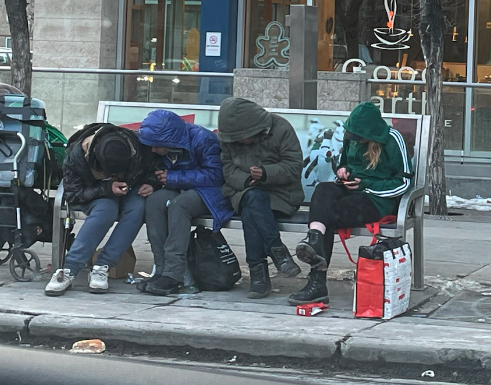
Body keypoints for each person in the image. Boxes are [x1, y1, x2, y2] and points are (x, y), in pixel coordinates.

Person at [288, 102, 411, 305]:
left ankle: (317, 281)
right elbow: (346, 163)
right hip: (351, 190)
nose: (356, 140)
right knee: (323, 190)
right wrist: (343, 172)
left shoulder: (392, 139)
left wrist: (367, 185)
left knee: (327, 215)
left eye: (360, 137)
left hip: (377, 199)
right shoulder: (351, 137)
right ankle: (315, 238)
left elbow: (404, 183)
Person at [46, 124, 157, 296]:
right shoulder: (77, 157)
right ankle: (69, 269)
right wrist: (106, 188)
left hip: (131, 189)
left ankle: (102, 266)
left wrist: (151, 184)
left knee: (138, 207)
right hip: (95, 194)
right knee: (106, 209)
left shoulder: (140, 147)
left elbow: (154, 170)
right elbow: (73, 194)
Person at [217, 98, 305, 298]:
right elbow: (228, 168)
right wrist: (247, 179)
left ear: (255, 129)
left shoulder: (281, 128)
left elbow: (294, 167)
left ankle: (259, 275)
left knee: (252, 211)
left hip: (280, 194)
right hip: (243, 189)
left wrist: (266, 173)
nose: (238, 143)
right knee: (253, 199)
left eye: (241, 138)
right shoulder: (229, 137)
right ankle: (277, 251)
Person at [139, 109, 233, 296]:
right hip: (179, 186)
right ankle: (161, 269)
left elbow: (216, 175)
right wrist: (153, 183)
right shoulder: (161, 147)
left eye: (157, 145)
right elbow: (155, 171)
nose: (153, 150)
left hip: (210, 192)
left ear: (169, 140)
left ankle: (174, 274)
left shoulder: (203, 140)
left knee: (179, 205)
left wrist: (172, 178)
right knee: (155, 202)